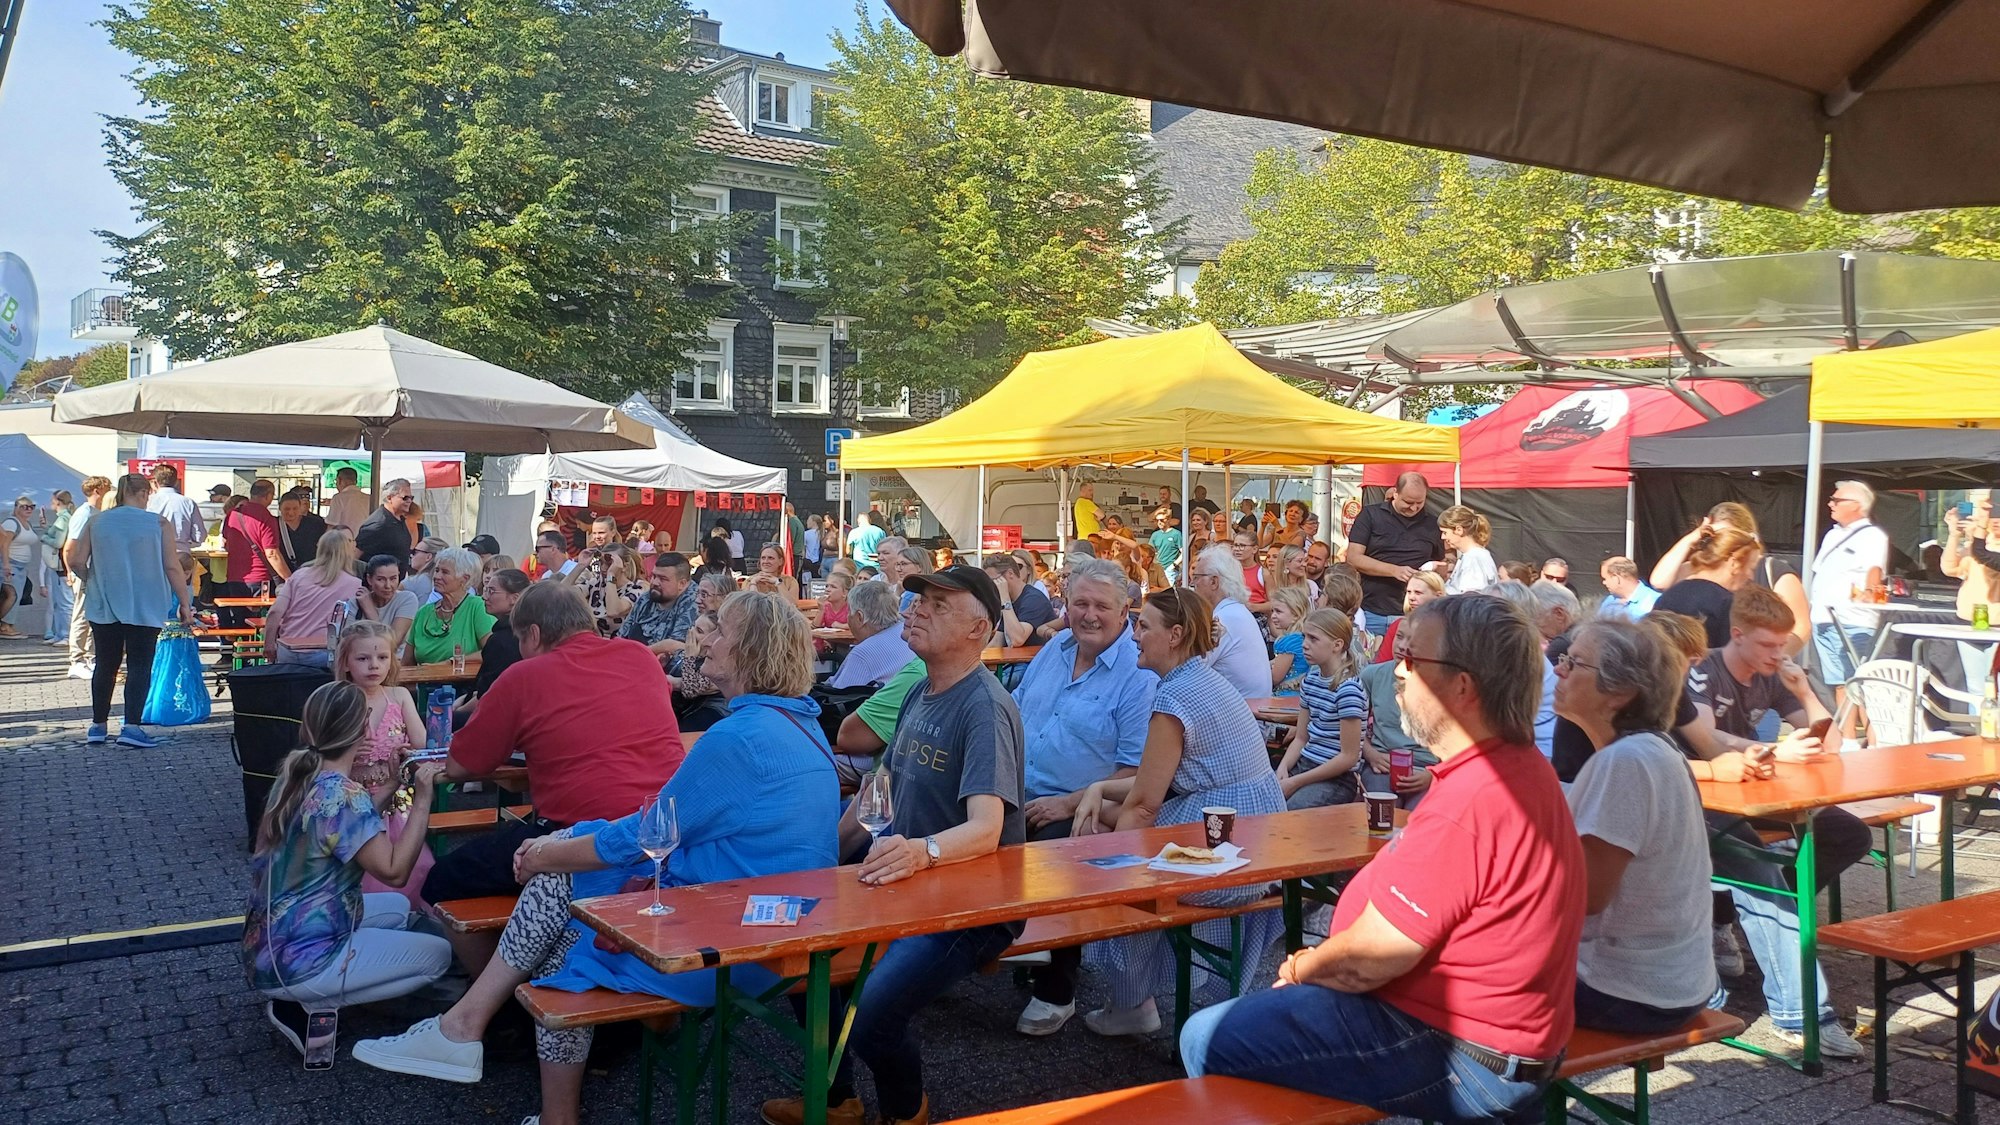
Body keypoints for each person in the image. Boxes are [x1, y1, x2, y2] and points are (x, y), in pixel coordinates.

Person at [357, 590, 838, 1122]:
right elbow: (665, 826)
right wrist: (560, 847)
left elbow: (647, 833)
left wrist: (549, 853)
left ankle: (477, 1038)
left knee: (562, 927)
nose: (706, 638)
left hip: (731, 941)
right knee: (561, 895)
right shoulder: (798, 724)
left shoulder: (738, 738)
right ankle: (476, 1038)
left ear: (748, 649)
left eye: (720, 629)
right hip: (773, 924)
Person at [1181, 594, 1586, 1122]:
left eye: (1413, 659)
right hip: (1496, 1041)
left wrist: (1302, 966)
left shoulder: (1473, 799)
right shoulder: (1517, 766)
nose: (1398, 670)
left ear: (1463, 687)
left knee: (1204, 1036)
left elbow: (1368, 960)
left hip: (1465, 1053)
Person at [761, 566, 1024, 1125]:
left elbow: (986, 829)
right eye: (919, 600)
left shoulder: (984, 707)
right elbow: (877, 795)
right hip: (906, 880)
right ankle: (838, 1099)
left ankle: (907, 1112)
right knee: (798, 946)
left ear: (979, 629)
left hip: (971, 904)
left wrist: (921, 851)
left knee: (873, 1018)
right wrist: (819, 863)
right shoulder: (919, 691)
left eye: (939, 604)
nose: (918, 609)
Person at [429, 582, 687, 970]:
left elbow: (463, 765)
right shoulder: (640, 657)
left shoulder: (524, 675)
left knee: (443, 879)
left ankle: (499, 990)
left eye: (520, 639)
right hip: (658, 829)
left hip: (577, 834)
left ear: (533, 634)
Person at [1071, 587, 1286, 1035]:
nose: (1134, 635)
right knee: (1107, 821)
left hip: (1227, 846)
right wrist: (1097, 788)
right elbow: (1154, 781)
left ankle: (1131, 1002)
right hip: (1255, 831)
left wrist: (1110, 863)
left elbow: (1145, 804)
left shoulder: (1174, 698)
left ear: (1175, 635)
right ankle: (1139, 995)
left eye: (1143, 626)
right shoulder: (1202, 679)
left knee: (1119, 867)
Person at [1675, 589, 1869, 1057]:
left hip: (1753, 793)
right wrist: (1778, 750)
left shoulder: (1775, 673)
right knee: (1762, 872)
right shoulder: (1705, 669)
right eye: (1767, 644)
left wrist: (1803, 690)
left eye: (1783, 644)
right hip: (1701, 796)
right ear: (1737, 635)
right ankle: (1800, 1015)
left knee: (1849, 833)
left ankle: (1742, 914)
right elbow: (1704, 739)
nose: (1777, 654)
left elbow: (1832, 744)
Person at [244, 682, 451, 1056]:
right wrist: (422, 799)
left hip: (269, 946)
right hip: (299, 962)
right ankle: (311, 1003)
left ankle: (310, 992)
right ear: (362, 730)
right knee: (437, 956)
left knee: (397, 907)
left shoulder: (298, 777)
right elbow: (394, 871)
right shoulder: (343, 794)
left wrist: (392, 783)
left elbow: (345, 827)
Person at [1004, 558, 1158, 1036]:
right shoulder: (1055, 648)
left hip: (1090, 806)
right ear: (1065, 605)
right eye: (1080, 603)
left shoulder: (1138, 672)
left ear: (1125, 610)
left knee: (1059, 848)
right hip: (1018, 788)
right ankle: (967, 951)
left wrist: (1070, 802)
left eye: (1101, 606)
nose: (1089, 615)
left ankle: (1057, 989)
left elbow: (1137, 772)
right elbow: (1015, 710)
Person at [1555, 616, 1719, 1033]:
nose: (1559, 669)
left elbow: (1584, 896)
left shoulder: (1625, 762)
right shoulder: (1651, 750)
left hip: (1627, 992)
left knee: (1440, 971)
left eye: (1574, 662)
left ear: (1620, 693)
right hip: (1672, 985)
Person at [72, 474, 196, 747]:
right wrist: (184, 603)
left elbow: (77, 560)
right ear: (143, 494)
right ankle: (131, 727)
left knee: (106, 663)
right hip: (146, 601)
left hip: (104, 600)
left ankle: (98, 725)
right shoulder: (158, 523)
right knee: (140, 664)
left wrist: (92, 579)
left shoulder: (96, 521)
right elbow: (172, 566)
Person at [329, 621, 434, 908]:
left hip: (397, 804)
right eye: (363, 658)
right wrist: (347, 750)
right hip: (353, 803)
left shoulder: (399, 696)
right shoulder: (338, 699)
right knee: (362, 871)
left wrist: (406, 752)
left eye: (382, 657)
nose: (374, 665)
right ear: (346, 662)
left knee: (415, 867)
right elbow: (319, 752)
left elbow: (422, 744)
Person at [1652, 502, 1811, 655]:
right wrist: (1693, 536)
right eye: (1715, 536)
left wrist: (1773, 658)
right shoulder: (1698, 572)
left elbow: (1801, 626)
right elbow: (1659, 581)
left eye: (1729, 534)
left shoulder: (1773, 570)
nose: (1721, 541)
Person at [1808, 480, 1890, 718]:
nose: (1830, 504)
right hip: (1823, 617)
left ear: (1856, 505)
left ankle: (1873, 736)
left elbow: (1875, 569)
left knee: (1859, 682)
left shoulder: (1872, 535)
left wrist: (1870, 591)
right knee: (1839, 682)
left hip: (1852, 619)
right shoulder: (1832, 534)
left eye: (1836, 500)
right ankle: (1848, 735)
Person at [1275, 607, 1367, 808]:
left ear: (1337, 645)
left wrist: (1295, 782)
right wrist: (1283, 768)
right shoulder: (1311, 680)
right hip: (1305, 765)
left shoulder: (1348, 689)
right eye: (1304, 637)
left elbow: (1348, 757)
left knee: (1292, 810)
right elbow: (1301, 737)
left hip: (1335, 777)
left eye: (1313, 639)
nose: (1304, 645)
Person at [1345, 472, 1444, 636]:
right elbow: (1353, 558)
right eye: (1408, 502)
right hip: (1372, 610)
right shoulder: (1370, 515)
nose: (1414, 508)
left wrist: (1439, 568)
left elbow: (1443, 559)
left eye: (1419, 502)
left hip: (1415, 614)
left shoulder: (1432, 524)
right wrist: (1394, 570)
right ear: (1395, 493)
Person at [1357, 621, 1438, 806]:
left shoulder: (1444, 683)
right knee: (1383, 811)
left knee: (1417, 815)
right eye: (1399, 637)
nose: (1402, 646)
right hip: (1383, 764)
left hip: (1426, 768)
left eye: (1412, 640)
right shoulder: (1372, 675)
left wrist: (1433, 774)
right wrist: (1370, 754)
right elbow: (1351, 727)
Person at [264, 531, 363, 667]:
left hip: (288, 649)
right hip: (323, 652)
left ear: (320, 549)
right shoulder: (355, 584)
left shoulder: (298, 576)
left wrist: (269, 643)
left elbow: (275, 612)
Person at [1653, 525, 1761, 648]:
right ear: (1734, 563)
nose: (1751, 577)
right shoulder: (1726, 604)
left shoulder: (1669, 595)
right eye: (1751, 568)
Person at [1186, 545, 1270, 699]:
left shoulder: (1225, 618)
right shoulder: (1234, 611)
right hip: (1247, 706)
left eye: (1196, 577)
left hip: (1244, 709)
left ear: (1214, 582)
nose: (1192, 583)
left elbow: (1190, 670)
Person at [1492, 581, 1561, 758]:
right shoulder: (1499, 652)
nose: (1478, 615)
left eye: (1491, 610)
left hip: (1536, 755)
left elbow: (1492, 724)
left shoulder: (1521, 658)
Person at [455, 568, 530, 727]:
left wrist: (456, 712)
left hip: (495, 719)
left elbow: (487, 697)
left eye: (492, 591)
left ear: (514, 598)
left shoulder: (503, 640)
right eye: (485, 590)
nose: (484, 596)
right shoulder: (522, 631)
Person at [407, 547, 495, 666]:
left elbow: (492, 651)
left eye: (445, 572)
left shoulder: (477, 607)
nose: (437, 576)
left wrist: (450, 662)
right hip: (424, 678)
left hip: (465, 678)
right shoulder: (423, 613)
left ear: (464, 579)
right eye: (436, 570)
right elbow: (407, 663)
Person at [62, 476, 114, 676]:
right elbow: (70, 547)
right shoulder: (84, 514)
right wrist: (73, 571)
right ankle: (76, 660)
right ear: (97, 490)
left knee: (93, 615)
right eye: (107, 488)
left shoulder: (96, 513)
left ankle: (90, 657)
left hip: (93, 572)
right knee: (82, 615)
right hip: (84, 571)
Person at [828, 579, 916, 689]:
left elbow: (838, 693)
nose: (848, 617)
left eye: (849, 611)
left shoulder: (863, 654)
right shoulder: (908, 634)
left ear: (860, 617)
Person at [616, 551, 698, 669]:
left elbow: (675, 649)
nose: (654, 582)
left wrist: (638, 653)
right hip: (633, 663)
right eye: (654, 576)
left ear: (682, 583)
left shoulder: (695, 602)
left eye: (663, 579)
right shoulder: (646, 598)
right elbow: (622, 636)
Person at [984, 551, 1058, 647]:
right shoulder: (1011, 600)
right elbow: (998, 641)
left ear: (1010, 573)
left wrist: (1005, 599)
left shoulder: (1034, 599)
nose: (991, 586)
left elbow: (1018, 639)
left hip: (1036, 656)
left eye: (994, 580)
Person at [145, 462, 207, 572]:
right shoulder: (188, 502)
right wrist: (188, 543)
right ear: (176, 481)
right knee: (182, 582)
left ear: (155, 481)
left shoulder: (148, 502)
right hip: (181, 554)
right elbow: (199, 536)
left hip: (154, 554)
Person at [1372, 570, 1444, 664]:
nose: (1411, 598)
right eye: (1409, 592)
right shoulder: (1398, 625)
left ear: (1438, 596)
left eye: (1418, 593)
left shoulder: (1448, 629)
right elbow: (1382, 664)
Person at [352, 554, 420, 652]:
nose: (388, 585)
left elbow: (393, 643)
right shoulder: (357, 601)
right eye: (380, 579)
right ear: (369, 579)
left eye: (393, 579)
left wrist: (371, 611)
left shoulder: (407, 599)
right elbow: (347, 642)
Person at [35, 490, 76, 647]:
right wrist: (47, 528)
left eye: (52, 501)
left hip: (61, 565)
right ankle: (60, 633)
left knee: (65, 603)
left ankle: (66, 634)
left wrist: (45, 537)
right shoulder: (63, 518)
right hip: (57, 565)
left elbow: (59, 542)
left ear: (58, 502)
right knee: (58, 603)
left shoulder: (63, 519)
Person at [355, 479, 417, 570]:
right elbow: (356, 555)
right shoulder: (378, 524)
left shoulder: (400, 519)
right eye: (405, 498)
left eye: (411, 498)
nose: (409, 501)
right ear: (389, 498)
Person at [1439, 504, 1498, 594]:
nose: (1442, 537)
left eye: (1445, 532)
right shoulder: (1472, 556)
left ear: (1459, 530)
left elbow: (1471, 596)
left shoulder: (1474, 558)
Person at [276, 488, 329, 576]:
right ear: (280, 508)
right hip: (284, 574)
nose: (291, 512)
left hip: (312, 573)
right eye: (287, 509)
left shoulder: (316, 523)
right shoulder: (274, 524)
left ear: (300, 507)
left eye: (295, 508)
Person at [1226, 526, 1267, 605]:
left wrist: (1253, 607)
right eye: (1235, 545)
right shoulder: (1228, 571)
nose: (1237, 549)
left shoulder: (1263, 573)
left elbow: (1273, 603)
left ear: (1254, 549)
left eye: (1242, 546)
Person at [325, 466, 371, 533]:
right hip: (365, 537)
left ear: (339, 480)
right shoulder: (368, 498)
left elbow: (332, 524)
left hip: (344, 538)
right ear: (356, 481)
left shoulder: (338, 498)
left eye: (336, 481)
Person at [402, 535, 447, 604]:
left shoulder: (414, 581)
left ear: (428, 557)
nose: (411, 555)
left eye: (415, 552)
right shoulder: (445, 581)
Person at [1149, 505, 1184, 584]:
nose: (1159, 522)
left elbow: (1184, 552)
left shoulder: (1176, 534)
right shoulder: (1155, 535)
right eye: (1157, 520)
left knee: (1169, 590)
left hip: (1170, 569)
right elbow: (1149, 551)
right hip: (1157, 568)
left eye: (1162, 520)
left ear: (1168, 520)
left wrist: (1174, 565)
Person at [802, 512, 826, 579]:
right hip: (821, 562)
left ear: (813, 522)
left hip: (809, 562)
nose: (807, 522)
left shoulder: (806, 534)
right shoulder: (824, 533)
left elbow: (803, 549)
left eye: (808, 520)